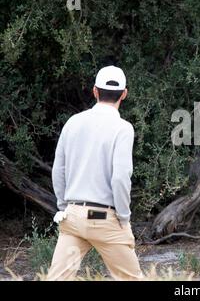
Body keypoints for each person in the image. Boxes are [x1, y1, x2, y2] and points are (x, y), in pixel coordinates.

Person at [46, 66, 143, 280]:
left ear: (95, 91)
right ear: (124, 94)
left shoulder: (73, 122)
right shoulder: (123, 128)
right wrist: (124, 219)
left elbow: (58, 170)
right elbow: (120, 178)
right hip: (105, 219)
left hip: (72, 217)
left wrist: (64, 207)